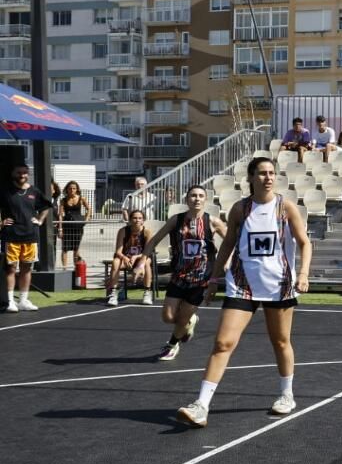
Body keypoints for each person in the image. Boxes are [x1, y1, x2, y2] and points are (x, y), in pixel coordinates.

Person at [176, 156, 313, 427]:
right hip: (242, 284)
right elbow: (227, 245)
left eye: (272, 173)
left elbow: (305, 243)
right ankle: (201, 405)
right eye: (262, 173)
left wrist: (305, 273)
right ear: (251, 177)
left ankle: (287, 395)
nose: (268, 178)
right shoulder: (240, 209)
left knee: (281, 342)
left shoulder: (286, 207)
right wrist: (214, 279)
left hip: (279, 286)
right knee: (222, 343)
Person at [146, 185, 227, 361]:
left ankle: (172, 345)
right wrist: (142, 260)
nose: (196, 199)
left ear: (205, 200)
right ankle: (190, 322)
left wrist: (226, 262)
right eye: (193, 196)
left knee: (182, 319)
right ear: (186, 200)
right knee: (168, 317)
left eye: (200, 196)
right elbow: (154, 240)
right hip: (179, 276)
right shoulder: (176, 220)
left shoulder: (212, 222)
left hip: (201, 278)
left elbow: (230, 242)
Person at [2, 163, 52, 313]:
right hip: (11, 235)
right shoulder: (5, 191)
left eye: (25, 172)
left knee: (27, 268)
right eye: (19, 172)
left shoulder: (34, 191)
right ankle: (10, 301)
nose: (22, 175)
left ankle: (23, 300)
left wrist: (40, 220)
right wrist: (1, 222)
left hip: (30, 235)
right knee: (11, 268)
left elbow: (46, 206)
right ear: (13, 173)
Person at [107, 209, 152, 307]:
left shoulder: (147, 232)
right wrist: (125, 258)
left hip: (141, 258)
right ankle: (113, 293)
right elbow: (118, 251)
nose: (137, 220)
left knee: (147, 262)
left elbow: (147, 251)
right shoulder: (123, 231)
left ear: (143, 220)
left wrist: (136, 257)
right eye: (135, 218)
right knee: (115, 262)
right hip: (125, 259)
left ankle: (147, 292)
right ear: (130, 220)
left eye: (140, 218)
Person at [56, 180, 89, 271]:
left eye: (74, 188)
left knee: (76, 248)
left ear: (77, 189)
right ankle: (64, 268)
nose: (72, 190)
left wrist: (86, 219)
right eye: (70, 188)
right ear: (67, 189)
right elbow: (60, 215)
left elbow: (88, 209)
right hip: (67, 226)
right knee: (65, 248)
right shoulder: (63, 200)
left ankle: (76, 268)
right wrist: (60, 229)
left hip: (78, 226)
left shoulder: (82, 199)